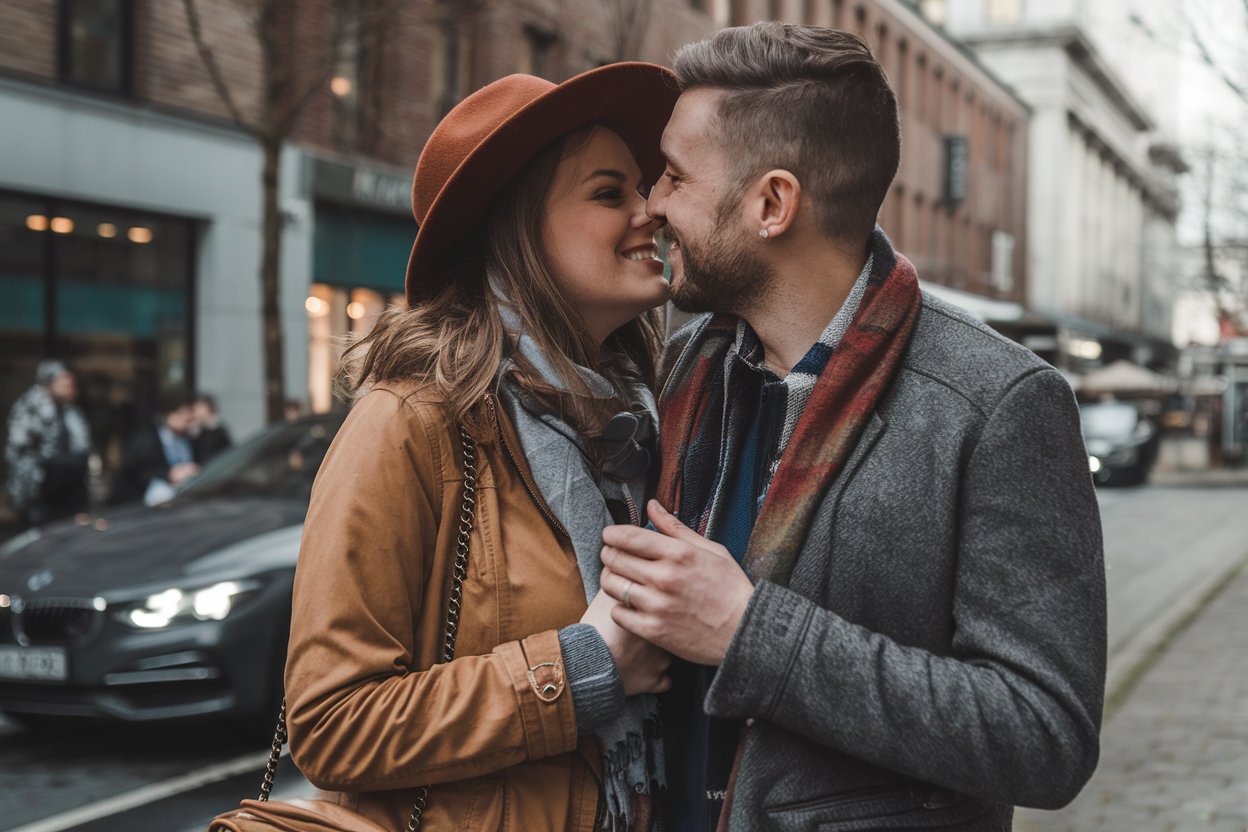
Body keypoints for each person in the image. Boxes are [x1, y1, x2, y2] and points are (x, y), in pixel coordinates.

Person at [596, 24, 1106, 831]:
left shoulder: (999, 404)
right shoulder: (680, 365)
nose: (653, 203)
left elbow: (1044, 735)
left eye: (676, 177)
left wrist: (748, 632)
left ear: (772, 203)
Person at [282, 64, 679, 831]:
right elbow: (331, 724)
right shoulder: (414, 422)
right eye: (610, 193)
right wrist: (581, 669)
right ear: (518, 225)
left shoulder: (639, 427)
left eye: (646, 186)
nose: (651, 210)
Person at [4, 360, 91, 528]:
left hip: (69, 496)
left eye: (70, 382)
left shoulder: (71, 411)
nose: (68, 386)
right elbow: (20, 452)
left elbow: (81, 447)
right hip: (41, 495)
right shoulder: (30, 407)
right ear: (48, 382)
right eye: (63, 381)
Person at [111, 393, 200, 506]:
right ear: (170, 414)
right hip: (144, 505)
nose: (188, 418)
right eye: (184, 413)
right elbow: (136, 472)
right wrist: (169, 474)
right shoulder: (147, 440)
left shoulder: (188, 440)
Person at [190, 393, 232, 464]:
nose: (195, 410)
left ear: (209, 408)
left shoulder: (219, 431)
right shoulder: (195, 431)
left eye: (199, 406)